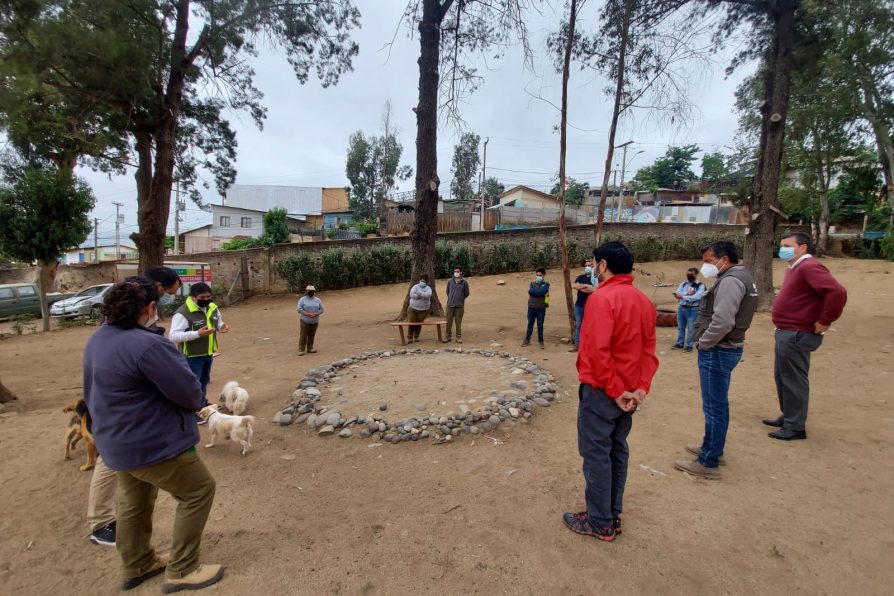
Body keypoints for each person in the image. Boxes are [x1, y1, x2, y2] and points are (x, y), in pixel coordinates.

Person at [83, 277, 223, 592]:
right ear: (149, 308)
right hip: (153, 443)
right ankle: (184, 568)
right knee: (199, 490)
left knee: (135, 501)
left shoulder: (97, 339)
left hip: (116, 442)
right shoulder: (148, 345)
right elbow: (188, 392)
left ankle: (138, 564)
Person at [563, 242, 658, 542]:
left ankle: (600, 521)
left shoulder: (602, 299)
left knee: (596, 455)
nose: (592, 267)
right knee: (617, 450)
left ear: (603, 265)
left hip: (603, 391)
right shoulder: (643, 301)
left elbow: (597, 353)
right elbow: (649, 351)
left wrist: (616, 390)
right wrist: (640, 388)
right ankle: (611, 513)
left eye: (594, 263)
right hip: (627, 393)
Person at [86, 268, 182, 547]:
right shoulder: (123, 329)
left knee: (122, 469)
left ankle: (127, 543)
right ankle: (100, 522)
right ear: (155, 289)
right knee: (108, 462)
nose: (165, 299)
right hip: (120, 413)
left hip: (114, 409)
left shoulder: (112, 328)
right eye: (169, 290)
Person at [675, 241, 758, 480]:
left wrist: (704, 342)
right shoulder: (743, 277)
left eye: (709, 261)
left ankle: (708, 462)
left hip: (719, 349)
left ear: (723, 258)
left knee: (714, 406)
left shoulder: (731, 281)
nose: (706, 266)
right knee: (717, 404)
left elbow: (723, 321)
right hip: (726, 348)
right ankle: (712, 448)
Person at [764, 232, 847, 441]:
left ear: (802, 248)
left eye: (788, 245)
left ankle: (795, 427)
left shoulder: (809, 267)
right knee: (782, 376)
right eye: (781, 244)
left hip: (797, 333)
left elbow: (837, 292)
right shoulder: (794, 268)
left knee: (793, 379)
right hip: (786, 331)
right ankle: (789, 416)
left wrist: (825, 320)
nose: (782, 248)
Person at [169, 282, 230, 402]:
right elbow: (173, 336)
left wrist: (221, 327)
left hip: (208, 353)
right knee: (193, 385)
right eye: (202, 298)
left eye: (208, 297)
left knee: (204, 381)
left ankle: (202, 404)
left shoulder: (212, 307)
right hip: (191, 356)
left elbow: (217, 322)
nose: (206, 300)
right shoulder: (183, 313)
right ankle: (193, 410)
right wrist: (197, 334)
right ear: (193, 297)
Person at [672, 267, 706, 352]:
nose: (689, 275)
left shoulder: (700, 286)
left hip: (693, 310)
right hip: (682, 308)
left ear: (696, 275)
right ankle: (680, 343)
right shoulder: (684, 284)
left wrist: (683, 296)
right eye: (688, 274)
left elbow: (697, 297)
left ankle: (689, 345)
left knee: (691, 328)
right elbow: (677, 293)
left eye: (691, 274)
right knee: (680, 327)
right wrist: (687, 294)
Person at [569, 260, 596, 353]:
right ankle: (577, 345)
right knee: (578, 325)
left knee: (589, 326)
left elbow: (594, 290)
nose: (587, 267)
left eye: (589, 265)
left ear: (592, 266)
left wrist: (581, 287)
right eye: (586, 265)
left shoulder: (594, 279)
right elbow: (574, 286)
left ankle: (588, 345)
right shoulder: (581, 277)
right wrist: (587, 286)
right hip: (579, 305)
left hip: (590, 305)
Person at [522, 267, 550, 349]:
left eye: (540, 275)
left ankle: (541, 341)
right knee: (530, 324)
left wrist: (535, 292)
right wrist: (540, 293)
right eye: (537, 275)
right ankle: (527, 339)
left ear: (543, 275)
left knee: (540, 325)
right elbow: (531, 291)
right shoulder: (532, 283)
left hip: (541, 308)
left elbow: (539, 291)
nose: (538, 277)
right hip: (531, 307)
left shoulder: (546, 284)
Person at [444, 266, 470, 343]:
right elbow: (447, 292)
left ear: (461, 272)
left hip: (459, 306)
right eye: (455, 271)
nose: (456, 273)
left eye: (457, 271)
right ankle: (447, 337)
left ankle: (458, 337)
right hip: (450, 305)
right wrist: (452, 298)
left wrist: (460, 298)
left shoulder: (464, 282)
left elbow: (467, 293)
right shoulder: (450, 281)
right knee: (448, 322)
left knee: (458, 322)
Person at [297, 285, 324, 355]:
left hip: (315, 321)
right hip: (305, 320)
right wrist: (308, 314)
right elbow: (299, 309)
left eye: (312, 291)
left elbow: (322, 309)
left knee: (312, 335)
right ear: (306, 291)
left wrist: (316, 314)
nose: (311, 292)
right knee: (303, 335)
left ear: (314, 292)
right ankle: (301, 349)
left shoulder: (318, 300)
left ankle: (310, 348)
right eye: (309, 291)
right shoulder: (302, 299)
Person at [407, 274, 432, 343]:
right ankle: (409, 337)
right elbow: (412, 294)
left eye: (424, 281)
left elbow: (428, 295)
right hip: (413, 308)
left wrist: (420, 294)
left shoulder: (428, 288)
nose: (422, 282)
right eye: (421, 281)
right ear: (419, 280)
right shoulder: (415, 286)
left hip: (424, 310)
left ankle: (416, 336)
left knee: (418, 323)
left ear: (426, 282)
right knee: (412, 323)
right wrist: (420, 296)